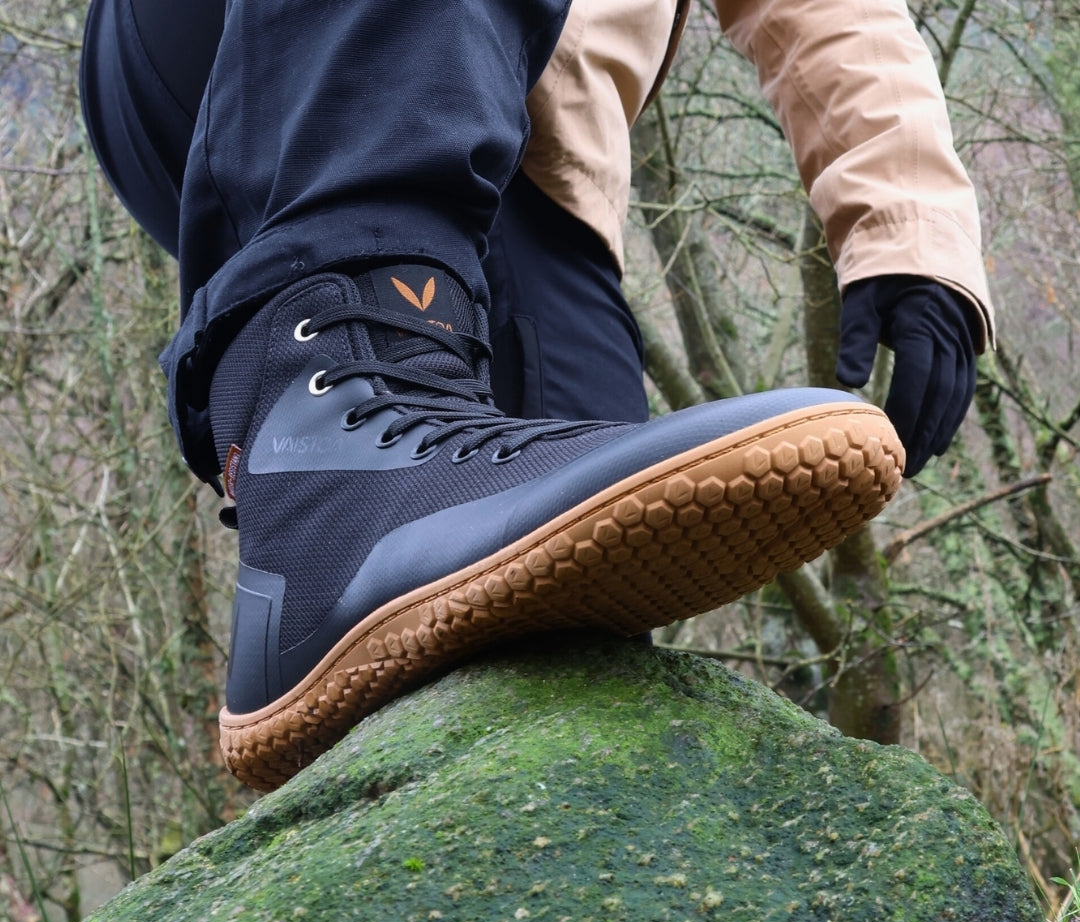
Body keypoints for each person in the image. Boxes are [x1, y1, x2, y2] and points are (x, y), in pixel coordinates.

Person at [79, 0, 989, 791]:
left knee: (577, 610)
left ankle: (313, 575)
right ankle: (315, 441)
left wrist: (907, 221)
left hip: (547, 156)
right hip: (232, 41)